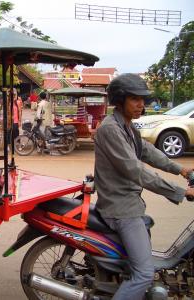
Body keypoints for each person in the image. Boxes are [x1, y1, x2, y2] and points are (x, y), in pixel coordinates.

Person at [94, 73, 194, 300]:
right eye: (134, 99)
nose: (141, 104)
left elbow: (149, 152)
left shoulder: (126, 126)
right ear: (120, 100)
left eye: (142, 99)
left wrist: (182, 170)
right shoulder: (110, 129)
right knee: (145, 274)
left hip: (130, 203)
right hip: (121, 209)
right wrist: (181, 191)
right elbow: (135, 170)